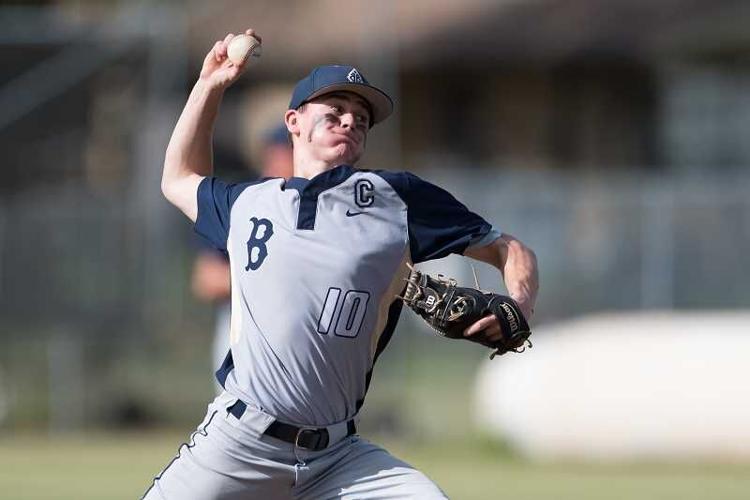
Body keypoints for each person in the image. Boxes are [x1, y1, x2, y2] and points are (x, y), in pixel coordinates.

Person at [143, 29, 539, 500]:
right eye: (334, 112)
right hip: (238, 446)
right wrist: (210, 84)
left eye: (361, 119)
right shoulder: (247, 202)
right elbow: (178, 177)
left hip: (339, 459)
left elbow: (507, 248)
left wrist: (521, 303)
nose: (350, 121)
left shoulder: (396, 198)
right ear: (293, 121)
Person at [190, 124, 293, 380]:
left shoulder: (321, 208)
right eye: (281, 153)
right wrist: (274, 280)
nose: (283, 161)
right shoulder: (242, 202)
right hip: (242, 324)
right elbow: (206, 279)